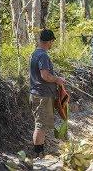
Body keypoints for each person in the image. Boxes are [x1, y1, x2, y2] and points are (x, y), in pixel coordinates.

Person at [29, 29, 65, 158]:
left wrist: (55, 79)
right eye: (52, 42)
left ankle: (40, 153)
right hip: (42, 96)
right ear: (50, 41)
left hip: (38, 94)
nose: (52, 44)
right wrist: (57, 80)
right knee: (40, 126)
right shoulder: (43, 55)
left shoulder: (35, 53)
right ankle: (38, 155)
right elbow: (45, 76)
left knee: (41, 125)